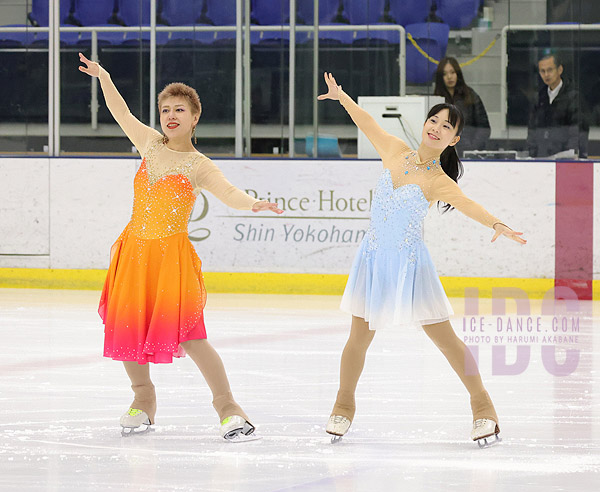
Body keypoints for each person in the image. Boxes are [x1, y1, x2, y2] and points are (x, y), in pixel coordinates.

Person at [78, 52, 283, 439]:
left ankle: (229, 409)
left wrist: (254, 203)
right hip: (133, 252)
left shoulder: (198, 164)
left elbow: (229, 192)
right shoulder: (150, 145)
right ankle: (143, 401)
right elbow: (120, 112)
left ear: (194, 117)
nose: (171, 116)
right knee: (128, 329)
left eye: (180, 110)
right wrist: (104, 76)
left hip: (170, 258)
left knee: (190, 335)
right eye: (165, 109)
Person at [317, 72, 526, 446]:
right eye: (433, 120)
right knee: (357, 340)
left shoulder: (438, 180)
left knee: (446, 341)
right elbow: (367, 122)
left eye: (446, 126)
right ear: (425, 124)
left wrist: (497, 223)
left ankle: (484, 408)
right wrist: (342, 96)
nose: (436, 128)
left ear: (454, 139)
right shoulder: (394, 150)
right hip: (374, 260)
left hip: (411, 267)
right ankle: (343, 405)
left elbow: (468, 205)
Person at [527, 52, 588, 158]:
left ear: (559, 70)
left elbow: (577, 132)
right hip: (541, 160)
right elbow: (532, 132)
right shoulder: (539, 98)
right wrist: (532, 155)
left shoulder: (573, 97)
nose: (546, 75)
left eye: (550, 70)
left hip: (566, 161)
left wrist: (571, 157)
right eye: (542, 71)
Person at [434, 56, 491, 153]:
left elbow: (484, 128)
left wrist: (472, 148)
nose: (449, 77)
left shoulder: (470, 95)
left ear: (458, 74)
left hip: (469, 153)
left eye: (452, 72)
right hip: (443, 153)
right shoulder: (436, 99)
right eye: (445, 74)